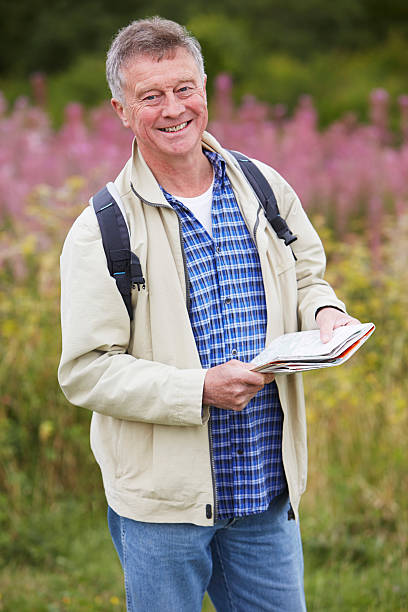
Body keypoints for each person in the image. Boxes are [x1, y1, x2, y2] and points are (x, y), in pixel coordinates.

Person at [58, 16, 358, 612]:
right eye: (151, 96)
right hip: (163, 508)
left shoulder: (263, 186)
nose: (174, 108)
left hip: (266, 489)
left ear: (205, 88)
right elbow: (87, 370)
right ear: (121, 109)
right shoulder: (103, 227)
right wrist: (199, 389)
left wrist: (326, 313)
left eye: (184, 88)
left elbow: (306, 275)